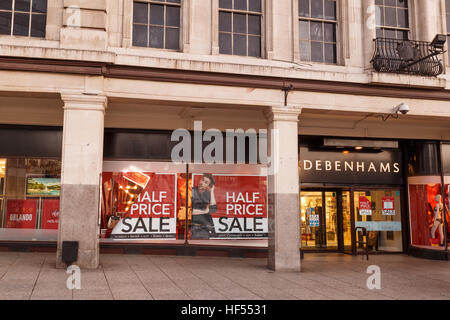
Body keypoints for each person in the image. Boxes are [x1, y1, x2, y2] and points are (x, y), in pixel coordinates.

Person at [190, 174, 217, 239]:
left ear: (208, 186)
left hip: (206, 228)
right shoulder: (192, 191)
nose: (202, 183)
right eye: (202, 180)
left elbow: (213, 209)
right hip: (194, 227)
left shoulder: (208, 193)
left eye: (206, 182)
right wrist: (205, 211)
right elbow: (189, 211)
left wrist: (212, 191)